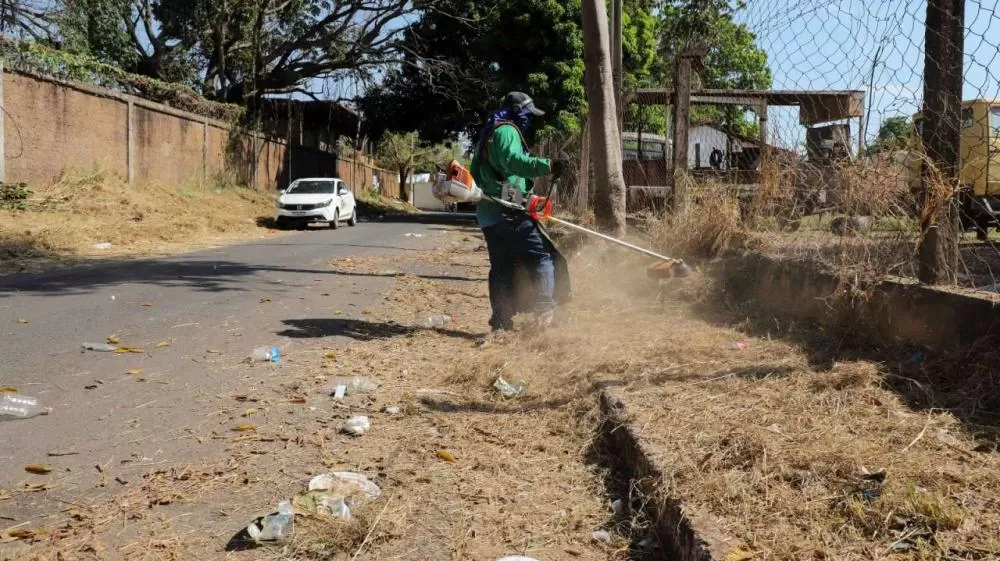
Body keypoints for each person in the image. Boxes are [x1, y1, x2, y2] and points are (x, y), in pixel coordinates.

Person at [470, 91, 570, 332]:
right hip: (508, 214)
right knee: (541, 257)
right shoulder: (507, 131)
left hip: (490, 213)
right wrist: (549, 165)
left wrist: (523, 198)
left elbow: (485, 179)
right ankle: (544, 316)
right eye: (528, 114)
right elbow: (513, 162)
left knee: (502, 266)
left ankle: (501, 322)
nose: (530, 120)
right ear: (518, 112)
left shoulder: (488, 133)